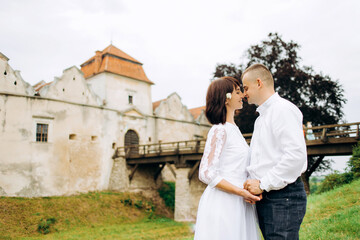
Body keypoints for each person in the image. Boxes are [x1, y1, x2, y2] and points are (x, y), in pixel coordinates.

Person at [242, 64, 307, 240]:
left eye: (246, 88)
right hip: (269, 195)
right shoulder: (261, 118)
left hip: (283, 197)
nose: (244, 93)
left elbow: (295, 157)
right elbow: (264, 159)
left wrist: (263, 184)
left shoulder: (282, 109)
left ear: (258, 83)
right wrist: (254, 185)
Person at [194, 76, 261, 240]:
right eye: (238, 92)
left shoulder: (234, 130)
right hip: (224, 202)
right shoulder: (220, 130)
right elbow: (206, 173)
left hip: (240, 201)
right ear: (226, 98)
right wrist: (240, 191)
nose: (243, 95)